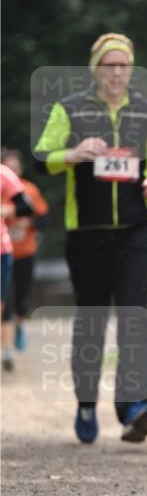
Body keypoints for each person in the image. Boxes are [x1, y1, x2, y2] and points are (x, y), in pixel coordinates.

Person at [34, 32, 147, 443]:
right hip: (87, 232)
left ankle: (134, 406)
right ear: (96, 69)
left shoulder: (145, 109)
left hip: (135, 229)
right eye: (108, 65)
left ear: (131, 69)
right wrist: (73, 154)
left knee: (134, 317)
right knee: (91, 321)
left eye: (122, 65)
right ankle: (86, 403)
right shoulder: (70, 108)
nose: (115, 72)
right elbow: (43, 156)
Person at [0, 149, 49, 361]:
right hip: (5, 251)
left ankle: (20, 323)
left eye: (14, 167)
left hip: (24, 252)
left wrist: (29, 223)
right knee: (5, 300)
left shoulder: (28, 189)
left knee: (20, 297)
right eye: (7, 166)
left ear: (20, 169)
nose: (11, 170)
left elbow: (44, 218)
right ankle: (7, 349)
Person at [1, 162, 34, 370]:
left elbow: (27, 208)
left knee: (10, 302)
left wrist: (7, 210)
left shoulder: (4, 176)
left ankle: (7, 348)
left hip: (6, 251)